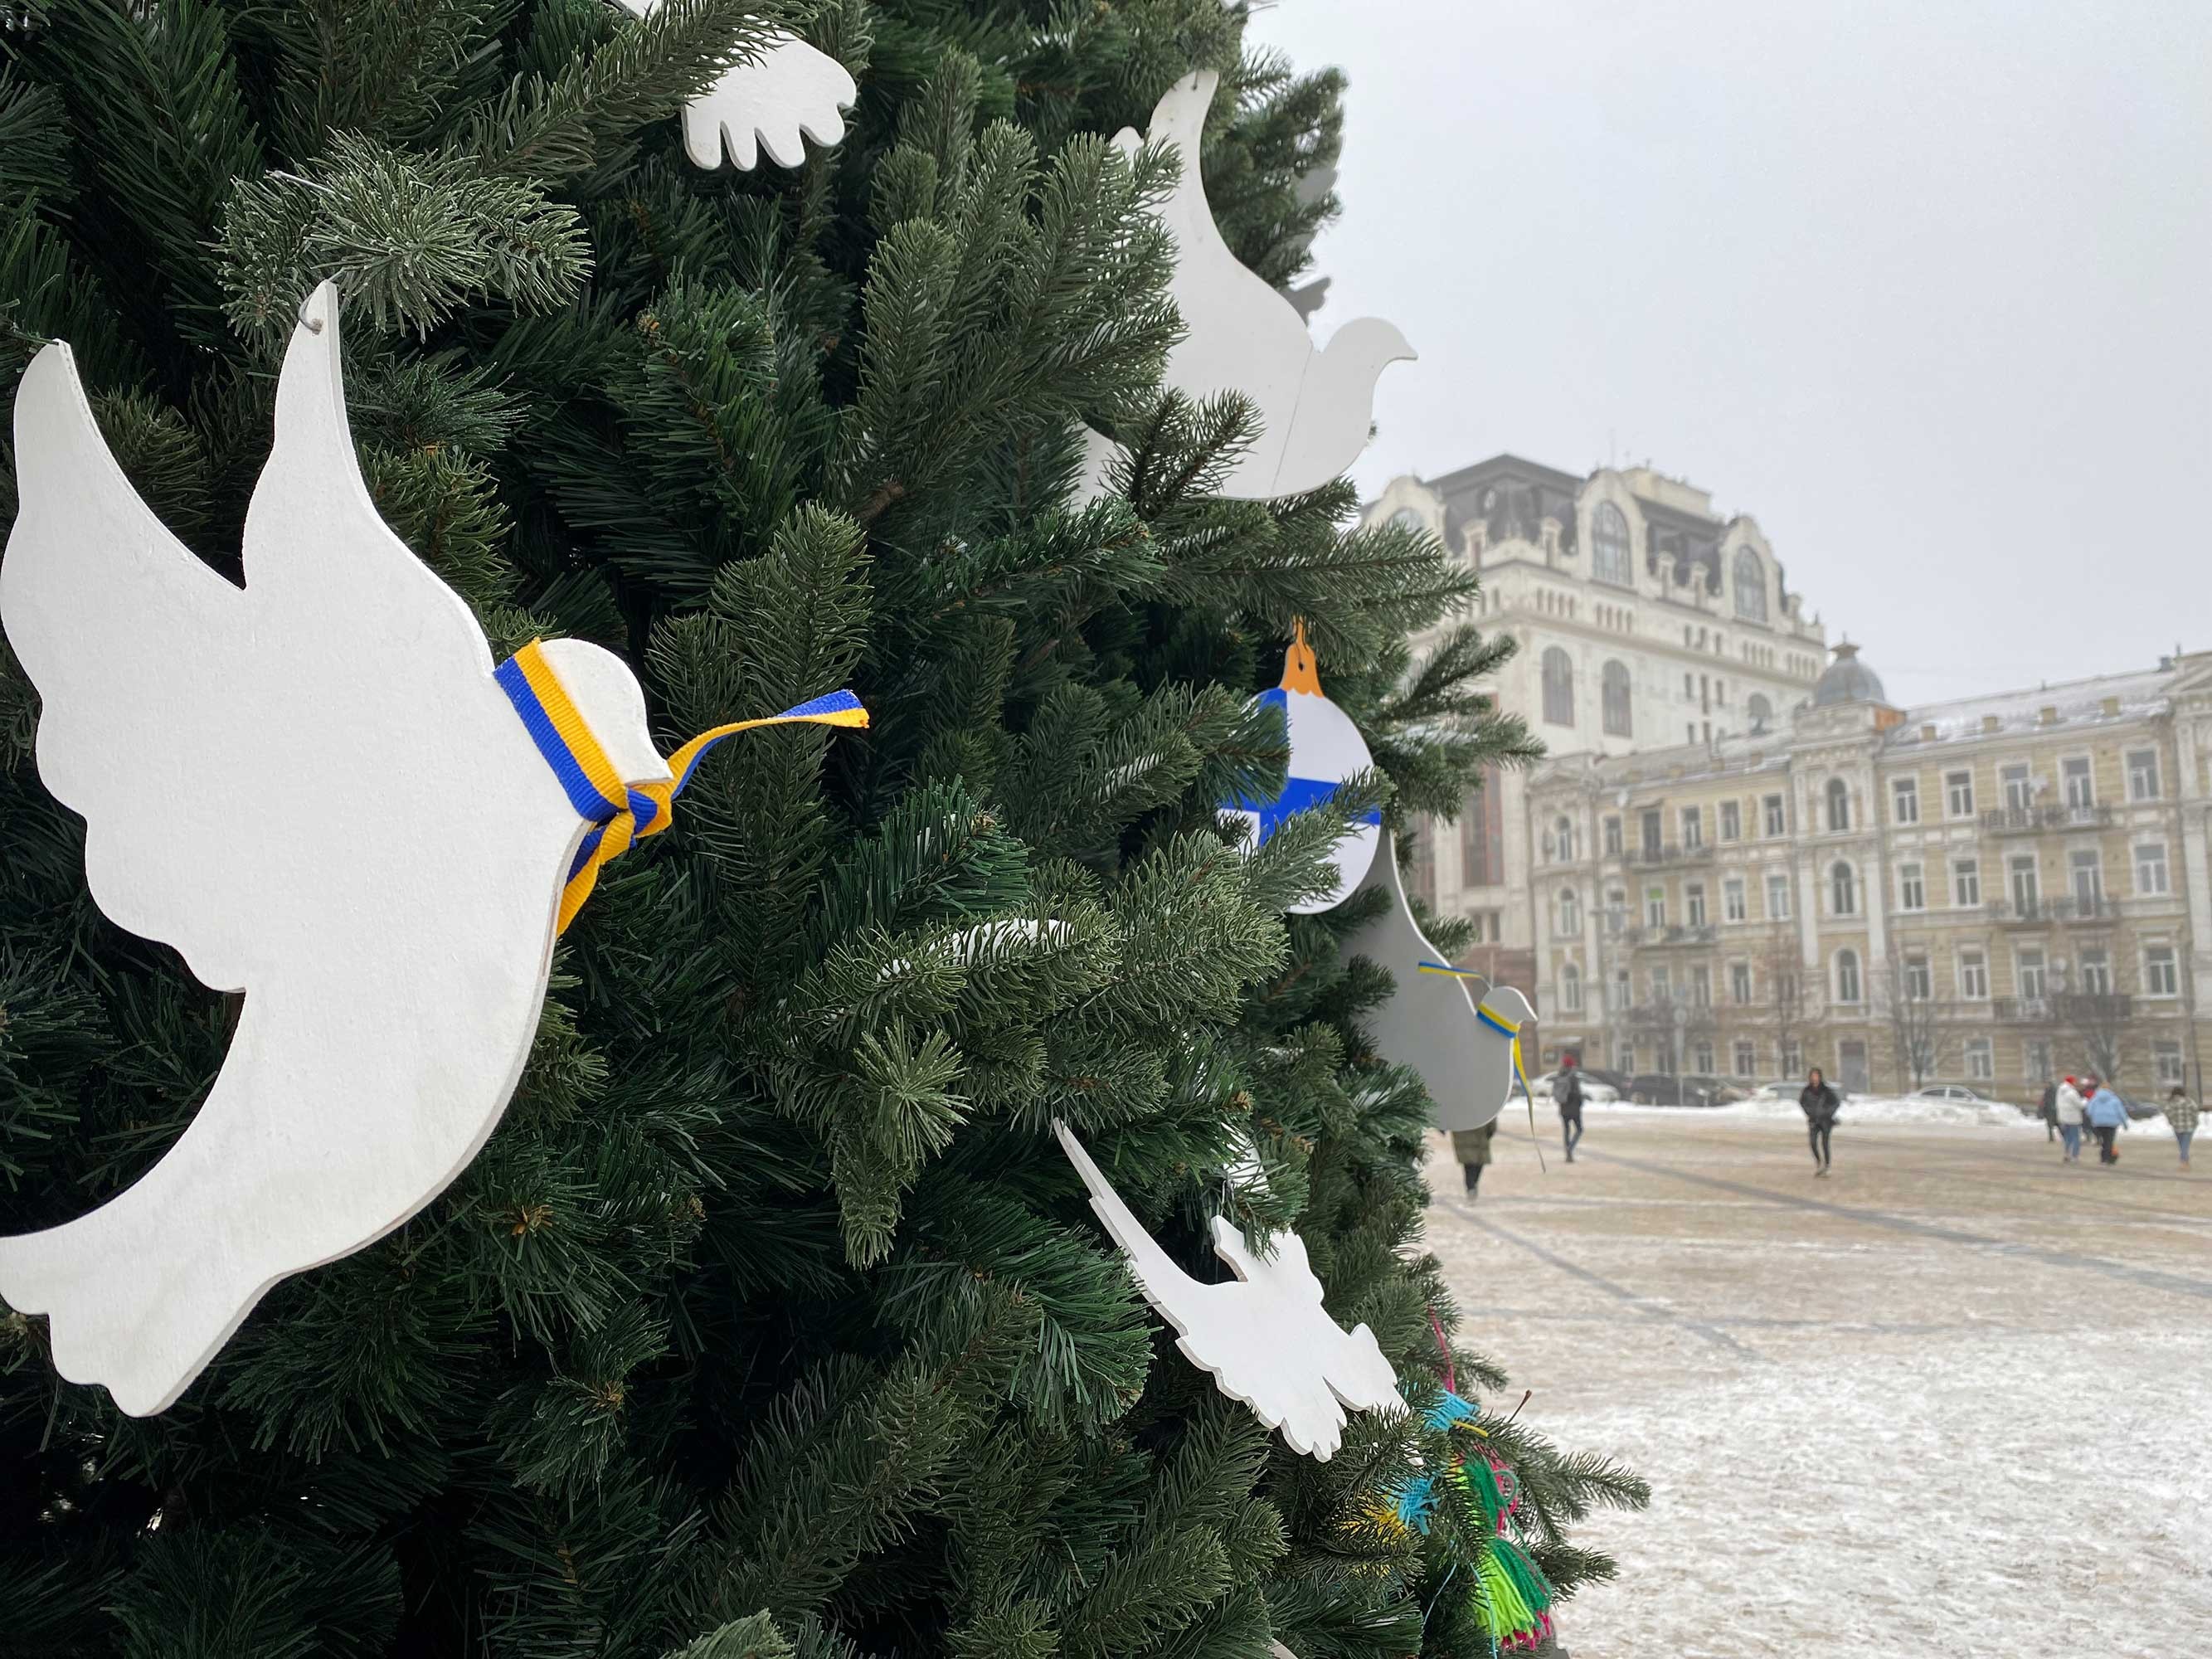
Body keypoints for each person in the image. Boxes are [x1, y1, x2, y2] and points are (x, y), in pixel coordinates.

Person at [1800, 1068, 1840, 1176]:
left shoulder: (1826, 1090)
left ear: (1820, 1077)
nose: (1814, 1078)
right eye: (1813, 1076)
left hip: (1825, 1121)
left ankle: (1827, 1166)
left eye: (1816, 1076)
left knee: (1825, 1144)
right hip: (1813, 1120)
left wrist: (1828, 1112)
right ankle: (1819, 1162)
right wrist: (1809, 1112)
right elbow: (1802, 1102)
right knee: (1813, 1143)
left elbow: (1836, 1103)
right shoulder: (1807, 1091)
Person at [2083, 1073, 2128, 1165]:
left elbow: (2089, 1110)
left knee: (2103, 1140)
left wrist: (2094, 1118)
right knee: (2109, 1141)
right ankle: (2108, 1159)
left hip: (2099, 1123)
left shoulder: (2095, 1098)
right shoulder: (2114, 1099)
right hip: (2112, 1123)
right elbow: (2121, 1112)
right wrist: (2125, 1123)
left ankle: (2103, 1158)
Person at [1451, 1120, 1497, 1197]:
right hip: (1480, 1134)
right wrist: (1491, 1130)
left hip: (1464, 1133)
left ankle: (1471, 1186)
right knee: (1476, 1163)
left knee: (1469, 1165)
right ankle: (1472, 1185)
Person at [1556, 1057, 1587, 1162]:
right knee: (1579, 1129)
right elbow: (1577, 1092)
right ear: (1571, 1065)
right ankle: (1570, 1149)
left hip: (1563, 1107)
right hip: (1574, 1108)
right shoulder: (1573, 1076)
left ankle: (1568, 1153)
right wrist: (1580, 1102)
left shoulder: (1559, 1075)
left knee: (1567, 1130)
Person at [2161, 1085, 2200, 1168]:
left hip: (2177, 1127)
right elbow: (2195, 1111)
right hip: (2189, 1127)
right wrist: (2195, 1122)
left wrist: (2172, 1122)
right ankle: (2184, 1162)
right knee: (2185, 1145)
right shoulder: (2189, 1101)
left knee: (2182, 1145)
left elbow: (2167, 1113)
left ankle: (2185, 1162)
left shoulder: (2171, 1103)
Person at [2054, 1076, 2086, 1164]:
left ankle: (2066, 1154)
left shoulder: (2060, 1092)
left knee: (2067, 1137)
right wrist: (2085, 1101)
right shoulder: (2072, 1093)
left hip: (2063, 1117)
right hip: (2073, 1118)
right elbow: (2079, 1104)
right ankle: (2074, 1156)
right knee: (2076, 1137)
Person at [2039, 1078, 2059, 1143]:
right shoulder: (2047, 1091)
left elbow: (2053, 1100)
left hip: (2053, 1110)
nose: (2045, 1085)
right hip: (2048, 1110)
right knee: (2049, 1125)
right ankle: (2051, 1137)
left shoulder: (2054, 1091)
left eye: (2047, 1084)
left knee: (2058, 1124)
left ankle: (2064, 1136)